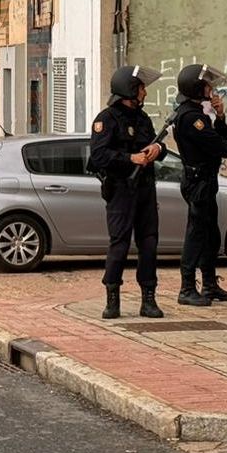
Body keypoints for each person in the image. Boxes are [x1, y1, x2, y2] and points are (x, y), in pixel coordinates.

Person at [88, 65, 166, 320]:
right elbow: (99, 156)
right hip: (121, 190)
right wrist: (129, 158)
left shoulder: (142, 119)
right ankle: (112, 299)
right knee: (119, 245)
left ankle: (149, 298)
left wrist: (158, 149)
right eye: (141, 87)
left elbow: (156, 142)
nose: (145, 92)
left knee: (149, 243)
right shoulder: (106, 119)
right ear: (129, 90)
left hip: (145, 189)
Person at [172, 64, 227, 307]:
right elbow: (222, 147)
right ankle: (187, 286)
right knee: (196, 234)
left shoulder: (196, 113)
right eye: (208, 85)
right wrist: (219, 133)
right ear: (198, 88)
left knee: (211, 234)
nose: (212, 89)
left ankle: (209, 284)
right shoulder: (192, 118)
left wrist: (220, 116)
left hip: (205, 181)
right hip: (198, 181)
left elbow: (219, 142)